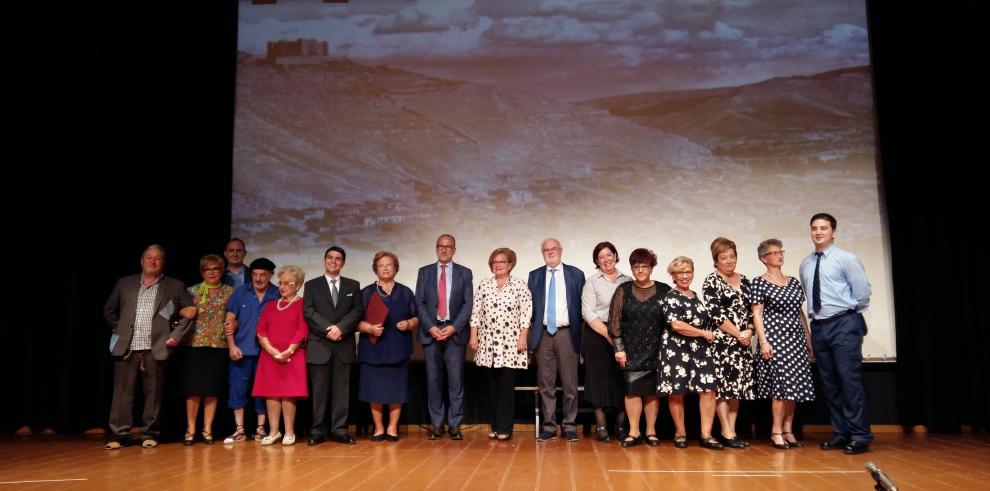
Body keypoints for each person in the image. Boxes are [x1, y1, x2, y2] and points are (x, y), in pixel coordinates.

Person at [102, 244, 196, 450]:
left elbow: (190, 312)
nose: (153, 262)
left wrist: (175, 336)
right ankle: (120, 434)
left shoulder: (174, 285)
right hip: (127, 347)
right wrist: (121, 330)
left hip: (156, 348)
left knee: (153, 394)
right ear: (141, 261)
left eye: (158, 258)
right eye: (149, 258)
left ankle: (149, 433)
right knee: (122, 394)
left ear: (163, 262)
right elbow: (109, 311)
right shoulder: (124, 283)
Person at [798, 213, 873, 454]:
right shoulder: (806, 263)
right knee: (829, 384)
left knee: (849, 381)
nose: (818, 232)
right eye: (814, 228)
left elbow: (862, 294)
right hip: (819, 326)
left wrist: (847, 314)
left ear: (834, 232)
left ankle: (860, 436)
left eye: (824, 228)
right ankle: (841, 433)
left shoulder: (847, 259)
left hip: (843, 323)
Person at [751, 239, 815, 449]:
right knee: (780, 388)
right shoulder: (759, 282)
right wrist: (763, 341)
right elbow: (757, 314)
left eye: (781, 252)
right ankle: (776, 431)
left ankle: (788, 429)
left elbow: (799, 313)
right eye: (774, 252)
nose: (779, 255)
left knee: (794, 388)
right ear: (764, 258)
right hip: (775, 340)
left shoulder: (793, 282)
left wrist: (807, 338)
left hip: (795, 340)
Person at [609, 248, 670, 448]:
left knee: (652, 393)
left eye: (645, 266)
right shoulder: (623, 290)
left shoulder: (664, 290)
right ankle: (634, 431)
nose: (641, 270)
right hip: (630, 350)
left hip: (657, 349)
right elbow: (614, 322)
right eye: (637, 267)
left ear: (652, 268)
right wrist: (619, 348)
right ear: (632, 269)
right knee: (632, 391)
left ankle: (651, 431)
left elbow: (672, 322)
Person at [659, 256, 722, 450]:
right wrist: (703, 333)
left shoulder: (695, 295)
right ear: (673, 276)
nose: (685, 276)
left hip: (700, 350)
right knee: (677, 392)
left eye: (688, 272)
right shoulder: (670, 296)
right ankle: (680, 433)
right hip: (676, 349)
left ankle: (706, 435)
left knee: (709, 390)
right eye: (680, 273)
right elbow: (677, 325)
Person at [469, 248, 532, 441]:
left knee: (506, 387)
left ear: (510, 265)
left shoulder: (520, 285)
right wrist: (474, 335)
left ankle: (505, 428)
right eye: (494, 262)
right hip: (488, 344)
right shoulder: (484, 285)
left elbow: (526, 313)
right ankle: (494, 426)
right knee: (491, 388)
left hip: (510, 344)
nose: (497, 265)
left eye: (502, 262)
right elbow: (476, 312)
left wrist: (523, 336)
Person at [415, 234, 473, 440]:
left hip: (454, 335)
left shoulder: (465, 273)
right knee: (434, 381)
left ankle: (455, 425)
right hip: (431, 333)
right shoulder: (424, 272)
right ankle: (437, 424)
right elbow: (419, 303)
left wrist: (454, 327)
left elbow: (468, 304)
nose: (444, 249)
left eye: (449, 247)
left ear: (454, 250)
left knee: (455, 381)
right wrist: (430, 327)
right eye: (441, 246)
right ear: (436, 248)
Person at [303, 246, 363, 445]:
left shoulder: (353, 286)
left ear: (343, 263)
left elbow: (357, 312)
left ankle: (339, 430)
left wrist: (341, 329)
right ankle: (318, 431)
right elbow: (309, 312)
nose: (333, 261)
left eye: (338, 258)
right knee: (319, 392)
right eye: (330, 257)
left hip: (343, 345)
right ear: (324, 260)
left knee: (341, 392)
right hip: (320, 345)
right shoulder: (312, 285)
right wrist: (329, 328)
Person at [527, 238, 586, 443]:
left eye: (554, 249)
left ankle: (569, 426)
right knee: (546, 384)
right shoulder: (534, 276)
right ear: (542, 253)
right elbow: (530, 308)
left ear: (561, 251)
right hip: (543, 334)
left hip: (567, 333)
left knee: (570, 384)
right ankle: (549, 427)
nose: (550, 252)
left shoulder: (575, 274)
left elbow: (582, 307)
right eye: (546, 250)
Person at [357, 252, 419, 442]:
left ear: (395, 268)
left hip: (398, 347)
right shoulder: (366, 293)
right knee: (374, 389)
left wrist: (409, 324)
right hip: (372, 348)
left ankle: (392, 428)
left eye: (389, 265)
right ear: (376, 268)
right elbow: (355, 322)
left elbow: (417, 318)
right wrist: (368, 327)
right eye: (381, 265)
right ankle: (378, 428)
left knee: (396, 389)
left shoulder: (406, 292)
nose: (385, 268)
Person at [701, 237, 755, 448]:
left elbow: (754, 311)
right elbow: (715, 315)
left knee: (738, 388)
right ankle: (726, 430)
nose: (729, 261)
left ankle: (731, 430)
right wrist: (738, 334)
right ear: (716, 260)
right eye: (724, 257)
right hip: (723, 344)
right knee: (723, 389)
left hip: (743, 343)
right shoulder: (711, 281)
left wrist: (749, 331)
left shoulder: (746, 280)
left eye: (732, 256)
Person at [221, 257, 280, 444]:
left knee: (264, 391)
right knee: (237, 389)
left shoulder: (277, 294)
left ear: (270, 275)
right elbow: (229, 321)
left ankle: (260, 429)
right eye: (255, 274)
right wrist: (231, 346)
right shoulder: (240, 293)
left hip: (267, 352)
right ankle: (239, 430)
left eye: (263, 275)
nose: (258, 278)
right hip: (242, 350)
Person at [181, 254, 234, 445]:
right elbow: (178, 309)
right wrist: (182, 311)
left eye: (216, 269)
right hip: (194, 345)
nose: (211, 273)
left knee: (212, 390)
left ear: (222, 272)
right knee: (193, 390)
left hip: (219, 345)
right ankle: (191, 429)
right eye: (207, 269)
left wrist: (233, 324)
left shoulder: (230, 292)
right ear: (202, 272)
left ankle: (207, 429)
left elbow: (235, 316)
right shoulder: (191, 291)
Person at [252, 265, 309, 445]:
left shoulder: (302, 304)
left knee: (288, 393)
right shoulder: (270, 305)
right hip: (270, 357)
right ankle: (274, 431)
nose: (282, 287)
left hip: (293, 356)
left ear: (298, 285)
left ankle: (289, 432)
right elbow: (261, 330)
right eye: (280, 283)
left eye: (287, 283)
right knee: (271, 394)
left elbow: (302, 329)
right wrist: (272, 350)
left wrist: (288, 351)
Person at [581, 241, 631, 442]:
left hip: (625, 335)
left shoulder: (627, 280)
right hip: (597, 335)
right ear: (596, 261)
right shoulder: (591, 282)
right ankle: (601, 427)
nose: (606, 260)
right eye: (601, 257)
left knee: (622, 381)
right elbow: (588, 312)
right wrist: (611, 337)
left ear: (615, 256)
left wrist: (620, 338)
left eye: (609, 255)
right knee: (598, 381)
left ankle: (620, 426)